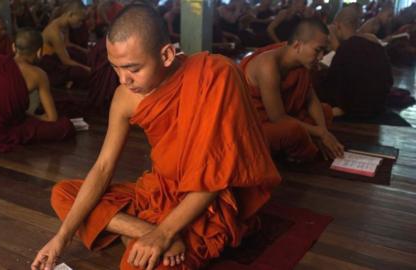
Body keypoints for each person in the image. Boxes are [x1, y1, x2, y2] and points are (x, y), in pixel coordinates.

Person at [32, 4, 280, 270]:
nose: (123, 79)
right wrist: (61, 238)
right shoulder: (125, 96)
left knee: (136, 266)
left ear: (166, 55)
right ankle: (139, 229)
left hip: (202, 200)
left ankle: (143, 232)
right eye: (115, 68)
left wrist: (164, 233)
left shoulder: (215, 76)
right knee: (63, 193)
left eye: (133, 69)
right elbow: (103, 168)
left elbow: (216, 176)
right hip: (159, 190)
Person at [241, 18, 344, 161]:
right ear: (298, 45)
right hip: (254, 125)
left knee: (324, 111)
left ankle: (296, 145)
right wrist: (319, 133)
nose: (321, 57)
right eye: (318, 50)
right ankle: (292, 150)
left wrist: (323, 130)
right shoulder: (268, 66)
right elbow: (278, 118)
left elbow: (310, 99)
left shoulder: (300, 59)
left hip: (283, 116)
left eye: (324, 51)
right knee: (292, 131)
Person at [0, 28, 75, 151]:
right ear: (39, 52)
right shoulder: (38, 75)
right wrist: (34, 117)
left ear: (14, 47)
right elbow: (52, 118)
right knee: (64, 127)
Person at [318, 7, 393, 121]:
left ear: (337, 25)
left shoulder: (347, 46)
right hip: (378, 106)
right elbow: (389, 78)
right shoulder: (374, 41)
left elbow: (334, 82)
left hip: (355, 110)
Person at [40, 0, 90, 88]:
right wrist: (87, 68)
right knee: (81, 72)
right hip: (49, 63)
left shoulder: (64, 25)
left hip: (59, 55)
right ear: (70, 14)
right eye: (80, 20)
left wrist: (85, 51)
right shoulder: (54, 32)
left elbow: (67, 44)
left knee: (82, 56)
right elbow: (65, 61)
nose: (81, 24)